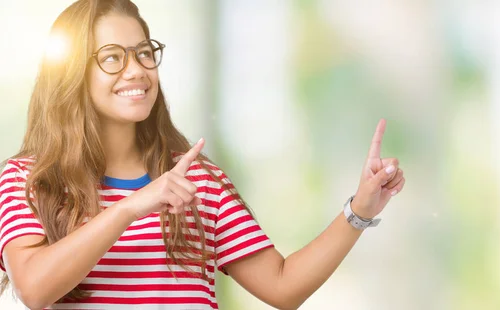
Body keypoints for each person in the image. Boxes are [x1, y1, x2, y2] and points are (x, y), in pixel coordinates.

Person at [0, 0, 405, 309]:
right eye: (111, 58)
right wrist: (129, 208)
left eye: (143, 52)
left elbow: (283, 287)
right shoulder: (28, 180)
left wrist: (361, 210)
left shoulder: (194, 181)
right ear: (72, 72)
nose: (137, 69)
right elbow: (33, 288)